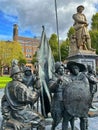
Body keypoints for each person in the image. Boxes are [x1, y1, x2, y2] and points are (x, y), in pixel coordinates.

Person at [1, 61, 45, 130]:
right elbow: (32, 97)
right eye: (19, 74)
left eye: (21, 74)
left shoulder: (8, 85)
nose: (22, 75)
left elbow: (4, 102)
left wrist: (7, 116)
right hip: (22, 113)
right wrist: (37, 89)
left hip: (13, 112)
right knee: (41, 121)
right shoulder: (19, 86)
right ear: (14, 76)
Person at [49, 62, 74, 130]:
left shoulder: (68, 78)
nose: (62, 70)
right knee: (57, 119)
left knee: (69, 117)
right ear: (57, 70)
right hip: (58, 101)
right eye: (60, 68)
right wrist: (57, 82)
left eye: (63, 68)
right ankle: (53, 128)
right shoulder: (53, 78)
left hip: (67, 101)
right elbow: (51, 89)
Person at [66, 61, 91, 130]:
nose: (75, 70)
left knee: (83, 117)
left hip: (82, 99)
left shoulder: (83, 76)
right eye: (73, 68)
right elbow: (67, 87)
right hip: (72, 100)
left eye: (76, 68)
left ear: (79, 69)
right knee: (70, 115)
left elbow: (86, 87)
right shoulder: (69, 77)